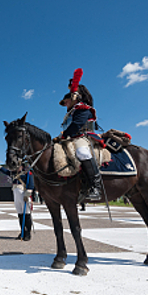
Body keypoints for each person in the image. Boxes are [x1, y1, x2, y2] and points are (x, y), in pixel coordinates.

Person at [53, 68, 101, 202]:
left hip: (83, 136)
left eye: (66, 101)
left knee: (82, 152)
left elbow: (76, 126)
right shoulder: (70, 112)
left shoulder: (83, 109)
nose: (65, 104)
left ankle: (95, 186)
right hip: (71, 137)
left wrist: (64, 135)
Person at [0, 162, 34, 240]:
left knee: (27, 215)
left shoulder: (27, 173)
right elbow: (5, 171)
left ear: (22, 166)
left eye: (18, 166)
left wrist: (29, 192)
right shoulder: (13, 173)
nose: (17, 168)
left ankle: (28, 233)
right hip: (16, 195)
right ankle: (22, 232)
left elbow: (31, 183)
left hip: (24, 195)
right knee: (20, 215)